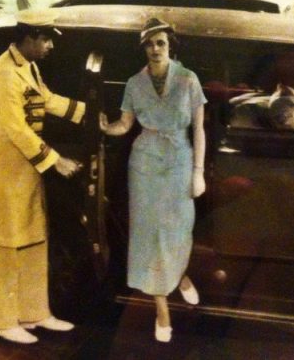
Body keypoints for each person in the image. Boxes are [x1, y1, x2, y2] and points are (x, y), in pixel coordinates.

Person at [0, 9, 85, 345]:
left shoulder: (27, 66)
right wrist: (56, 161)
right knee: (3, 246)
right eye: (45, 40)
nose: (50, 47)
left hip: (25, 172)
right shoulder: (3, 74)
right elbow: (16, 129)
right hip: (2, 173)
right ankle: (2, 321)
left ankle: (35, 312)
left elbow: (45, 99)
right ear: (29, 37)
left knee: (33, 241)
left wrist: (88, 114)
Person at [99, 17, 206, 343]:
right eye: (149, 44)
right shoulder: (134, 83)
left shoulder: (188, 79)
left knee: (178, 231)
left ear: (170, 45)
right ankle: (162, 310)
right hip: (144, 164)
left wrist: (198, 172)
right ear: (143, 48)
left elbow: (199, 129)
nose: (155, 49)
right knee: (149, 235)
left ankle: (180, 276)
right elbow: (125, 124)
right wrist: (107, 127)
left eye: (161, 43)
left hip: (179, 162)